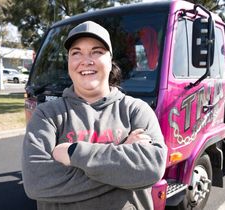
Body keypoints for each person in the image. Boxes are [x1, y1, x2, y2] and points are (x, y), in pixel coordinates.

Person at [22, 20, 167, 210]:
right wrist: (123, 159)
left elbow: (151, 168)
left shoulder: (136, 110)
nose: (85, 60)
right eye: (76, 53)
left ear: (110, 60)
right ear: (68, 62)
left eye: (97, 52)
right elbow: (36, 183)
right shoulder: (47, 115)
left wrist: (73, 153)